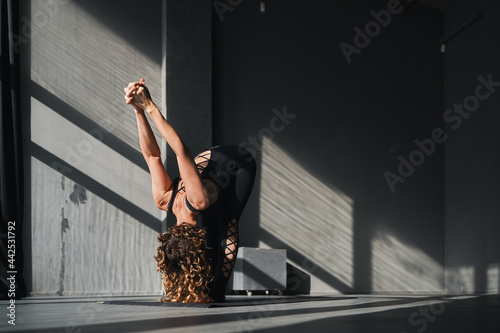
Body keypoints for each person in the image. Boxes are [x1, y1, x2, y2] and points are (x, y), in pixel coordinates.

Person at [124, 79, 256, 303]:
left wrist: (149, 107)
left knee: (229, 225)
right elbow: (152, 156)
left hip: (237, 162)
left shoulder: (189, 199)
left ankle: (218, 293)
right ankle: (210, 287)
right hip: (213, 167)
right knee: (213, 223)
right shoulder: (164, 199)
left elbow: (179, 150)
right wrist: (137, 111)